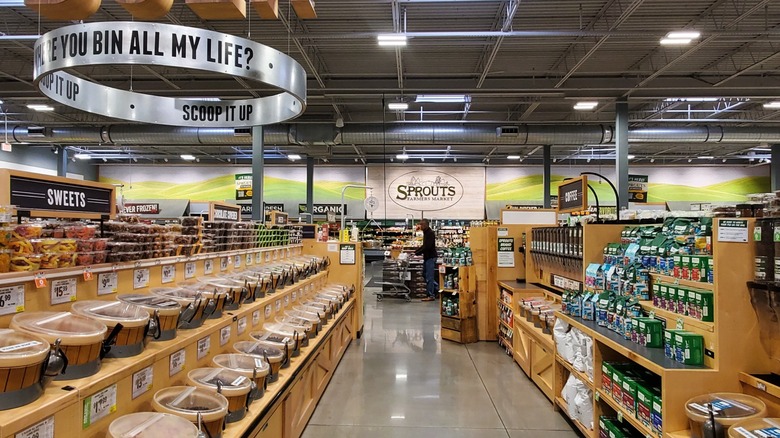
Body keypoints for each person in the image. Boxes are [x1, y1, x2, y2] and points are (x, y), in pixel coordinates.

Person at [414, 219, 439, 302]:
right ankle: (437, 288)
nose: (419, 226)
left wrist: (417, 253)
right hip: (427, 257)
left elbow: (427, 247)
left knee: (429, 277)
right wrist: (416, 252)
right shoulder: (426, 232)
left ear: (425, 225)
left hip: (431, 257)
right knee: (425, 275)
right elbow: (424, 245)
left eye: (421, 225)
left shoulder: (430, 233)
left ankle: (431, 295)